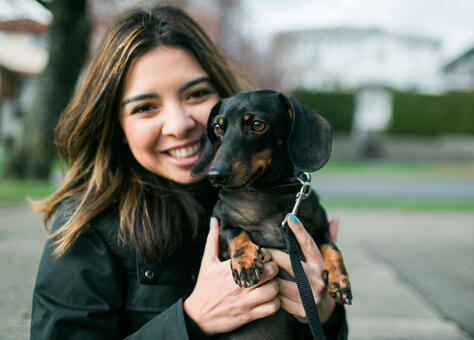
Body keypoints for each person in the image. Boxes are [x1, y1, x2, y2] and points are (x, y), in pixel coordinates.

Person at [30, 5, 348, 339]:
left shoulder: (268, 194)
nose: (180, 126)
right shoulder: (87, 227)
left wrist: (324, 313)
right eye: (145, 107)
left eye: (196, 94)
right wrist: (191, 321)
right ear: (117, 126)